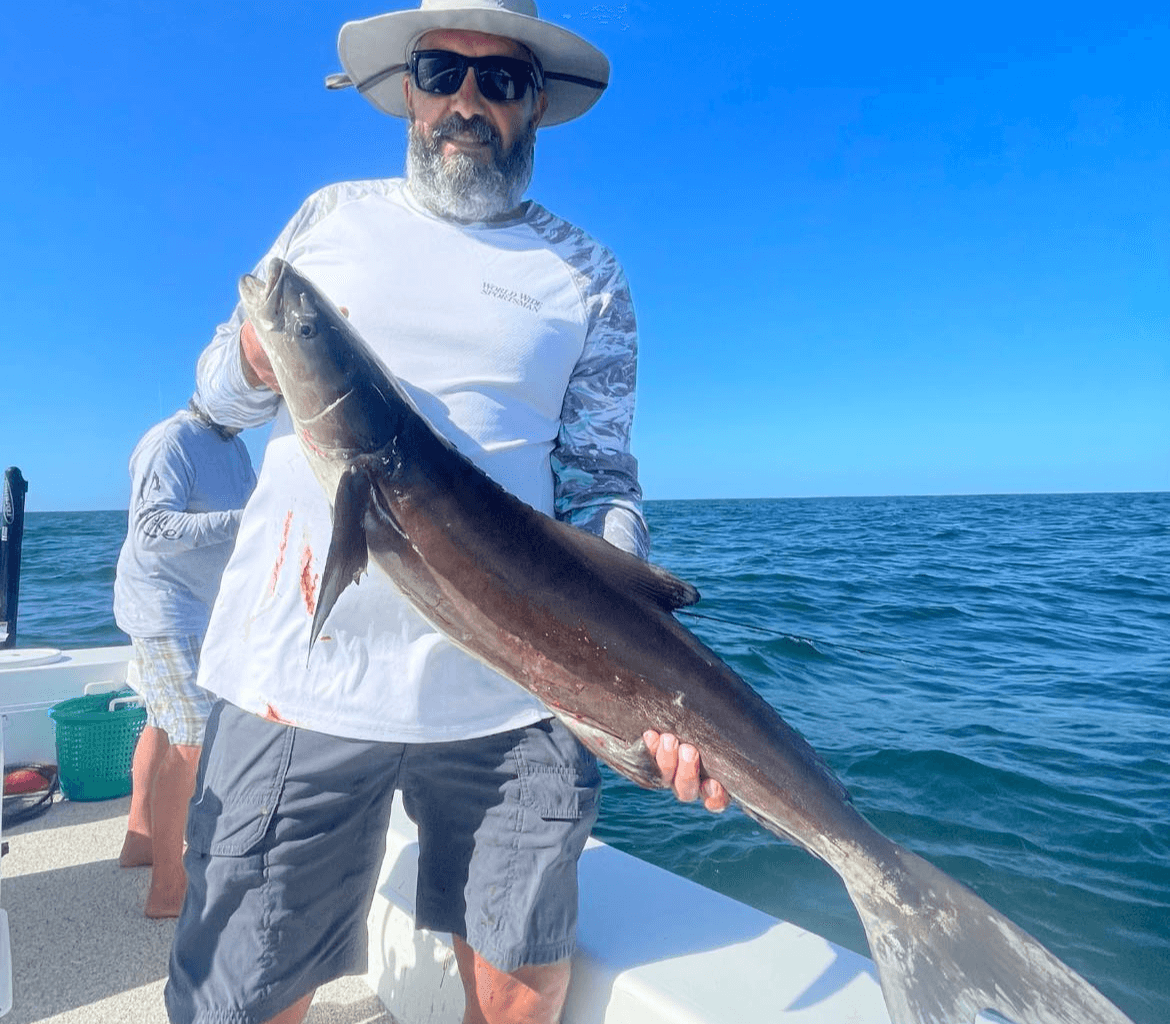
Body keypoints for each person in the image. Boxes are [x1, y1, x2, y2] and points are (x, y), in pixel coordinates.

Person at [166, 3, 728, 1022]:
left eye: (499, 81)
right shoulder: (328, 220)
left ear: (536, 106)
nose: (466, 101)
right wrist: (255, 355)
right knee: (244, 995)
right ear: (410, 93)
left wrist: (632, 670)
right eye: (440, 72)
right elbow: (218, 396)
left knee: (521, 990)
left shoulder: (589, 276)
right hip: (298, 674)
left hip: (516, 698)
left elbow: (600, 479)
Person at [112, 398, 256, 918]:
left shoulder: (235, 447)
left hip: (201, 608)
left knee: (162, 721)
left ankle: (141, 838)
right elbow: (150, 530)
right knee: (194, 742)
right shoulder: (170, 440)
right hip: (165, 609)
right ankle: (168, 888)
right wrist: (245, 520)